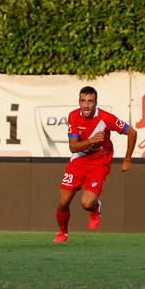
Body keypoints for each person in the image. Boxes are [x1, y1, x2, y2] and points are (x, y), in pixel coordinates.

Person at [53, 86, 137, 243]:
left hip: (99, 161)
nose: (86, 105)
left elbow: (132, 132)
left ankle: (95, 207)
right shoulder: (73, 116)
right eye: (83, 101)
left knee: (86, 203)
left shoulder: (106, 118)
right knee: (63, 202)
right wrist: (91, 140)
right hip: (79, 159)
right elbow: (73, 147)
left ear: (96, 103)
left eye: (90, 101)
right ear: (79, 102)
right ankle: (63, 233)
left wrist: (127, 159)